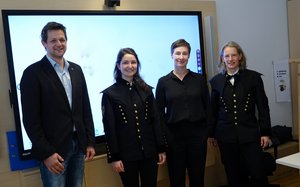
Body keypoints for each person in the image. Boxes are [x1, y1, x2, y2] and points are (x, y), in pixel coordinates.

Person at [20, 22, 95, 187]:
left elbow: (85, 108)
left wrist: (89, 141)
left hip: (78, 145)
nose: (59, 44)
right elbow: (31, 120)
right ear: (44, 43)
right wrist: (47, 154)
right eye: (53, 40)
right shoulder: (32, 73)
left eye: (62, 40)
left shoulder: (76, 70)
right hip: (54, 151)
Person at [208, 41, 271, 187]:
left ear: (240, 57)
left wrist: (265, 132)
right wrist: (211, 133)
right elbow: (213, 110)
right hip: (225, 136)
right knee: (233, 174)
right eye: (227, 56)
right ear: (222, 59)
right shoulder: (216, 81)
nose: (230, 59)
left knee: (257, 173)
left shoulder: (253, 78)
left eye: (233, 55)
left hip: (250, 134)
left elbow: (263, 107)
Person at [101, 48, 166, 187]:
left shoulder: (147, 90)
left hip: (149, 153)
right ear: (118, 66)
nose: (130, 66)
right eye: (125, 63)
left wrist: (161, 148)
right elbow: (110, 129)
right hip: (126, 156)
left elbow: (156, 121)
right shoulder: (110, 94)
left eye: (133, 62)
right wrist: (114, 157)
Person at [155, 39, 210, 187]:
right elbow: (158, 114)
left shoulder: (199, 80)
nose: (181, 57)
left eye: (184, 53)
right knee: (176, 178)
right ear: (172, 55)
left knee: (197, 177)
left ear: (189, 56)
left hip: (197, 137)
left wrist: (206, 133)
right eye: (177, 53)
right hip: (174, 138)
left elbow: (208, 108)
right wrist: (164, 138)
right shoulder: (163, 82)